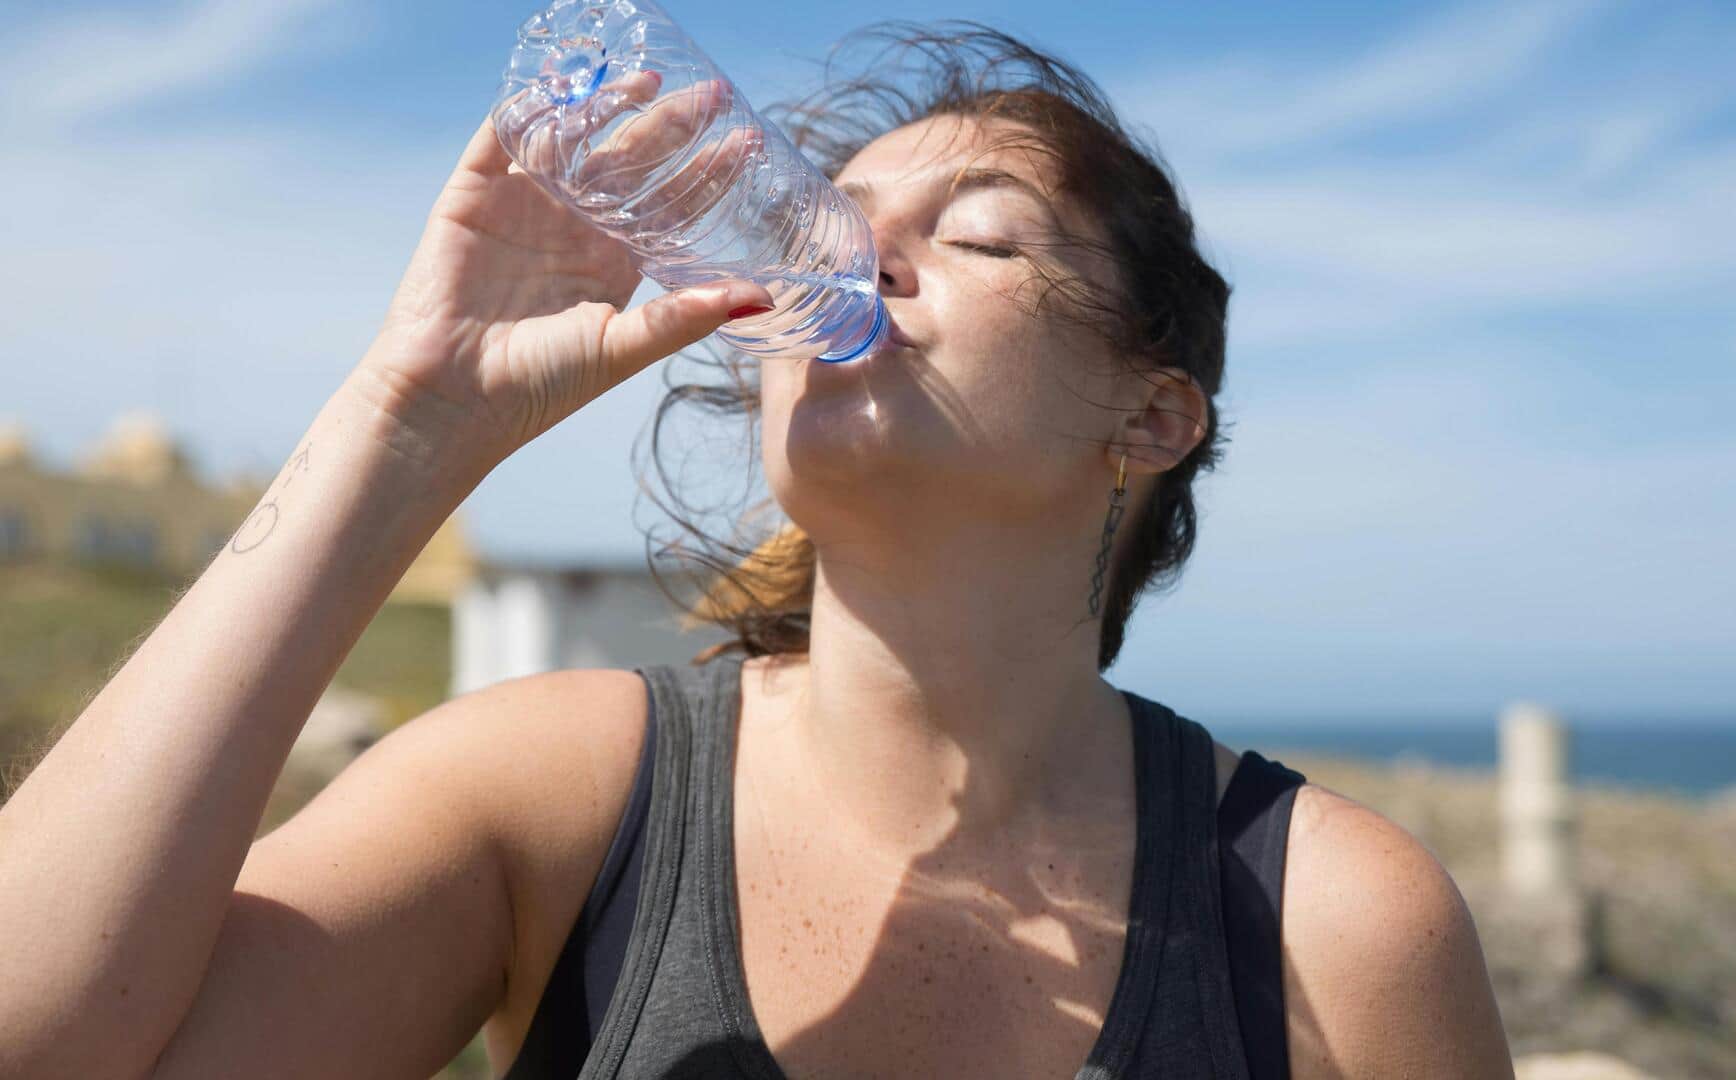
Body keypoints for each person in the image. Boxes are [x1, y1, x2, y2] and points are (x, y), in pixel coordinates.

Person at [0, 22, 1512, 1080]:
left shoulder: (1328, 918)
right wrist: (410, 422)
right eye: (830, 224)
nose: (853, 259)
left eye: (980, 236)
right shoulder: (559, 802)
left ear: (1154, 416)